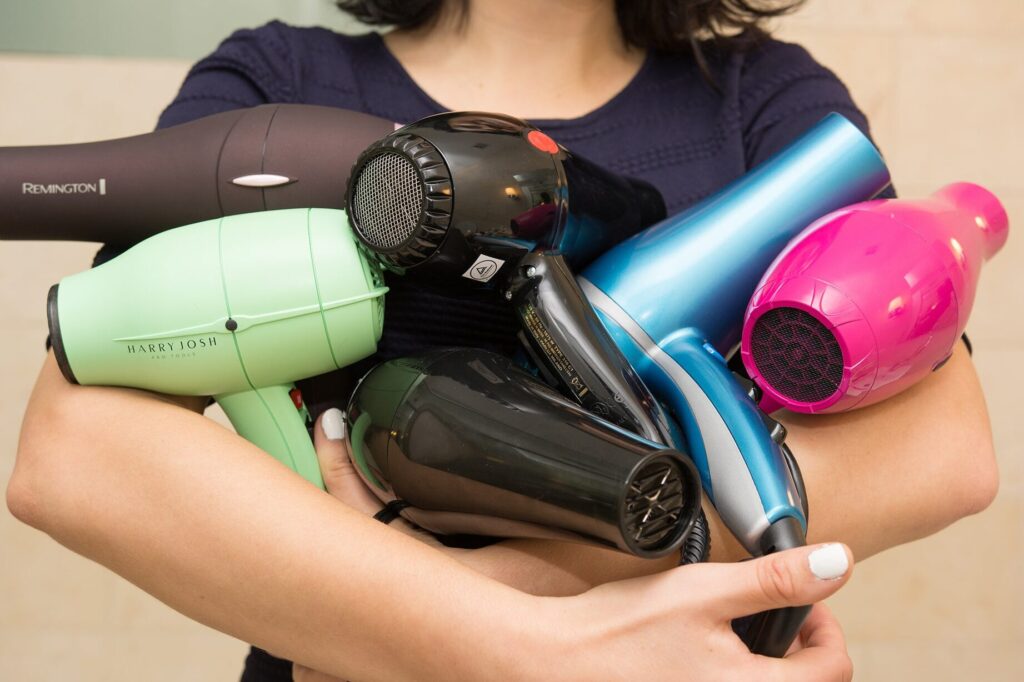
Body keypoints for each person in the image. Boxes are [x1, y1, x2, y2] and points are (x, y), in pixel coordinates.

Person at [6, 0, 997, 680]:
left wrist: (457, 608)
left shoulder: (763, 98)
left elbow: (942, 447)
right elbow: (75, 455)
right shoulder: (274, 77)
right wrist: (527, 642)